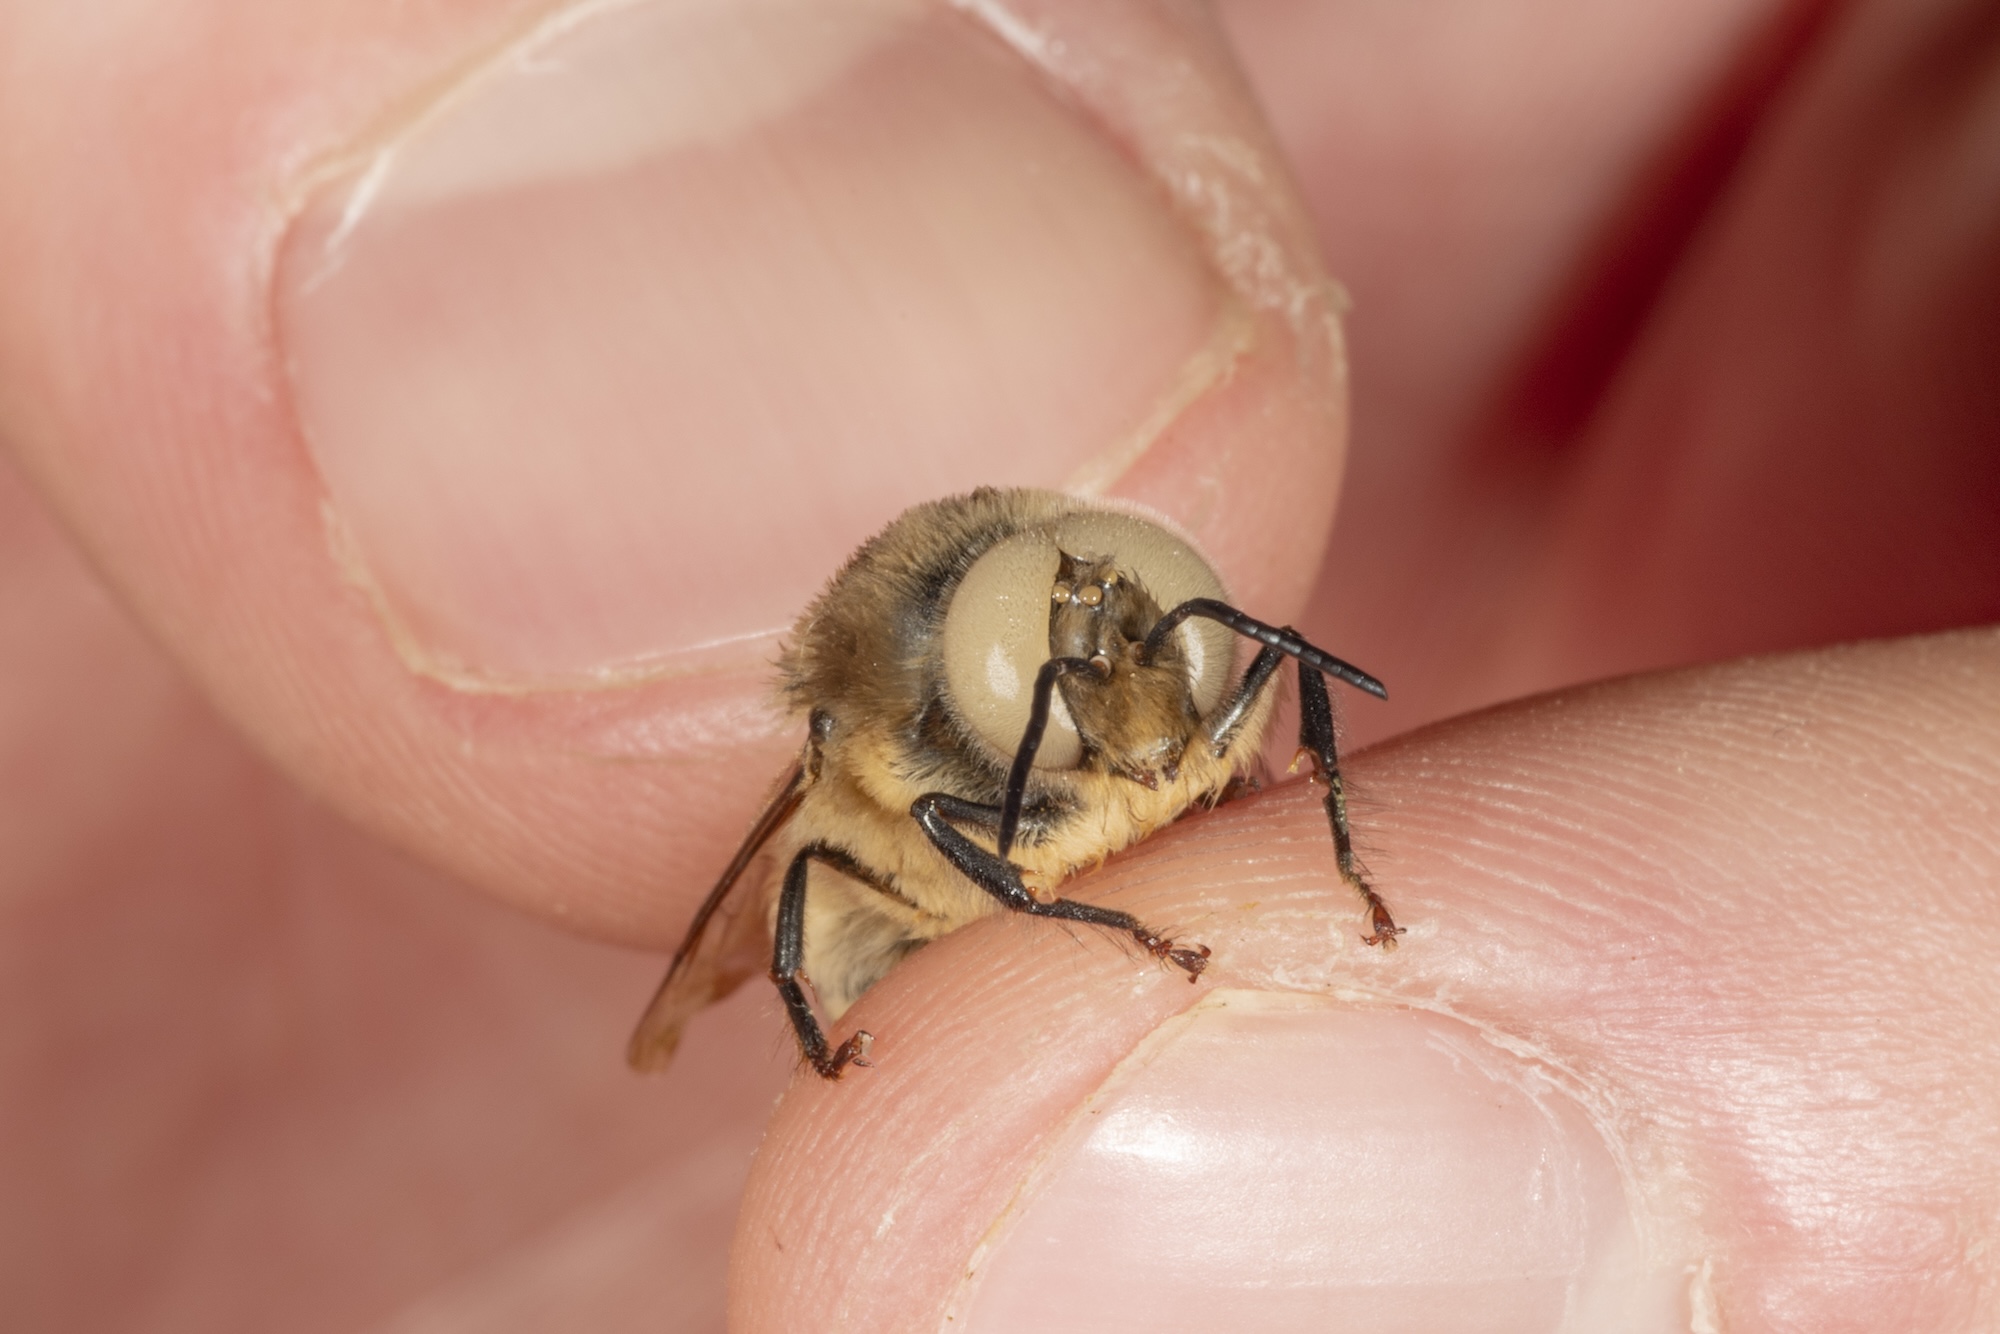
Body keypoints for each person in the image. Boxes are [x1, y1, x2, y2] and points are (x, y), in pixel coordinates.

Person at [3, 0, 1995, 1329]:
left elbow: (1230, 685)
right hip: (925, 938)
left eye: (1130, 615)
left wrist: (1343, 843)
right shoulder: (896, 745)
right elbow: (796, 876)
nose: (1122, 662)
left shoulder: (1186, 651)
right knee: (807, 883)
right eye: (1079, 640)